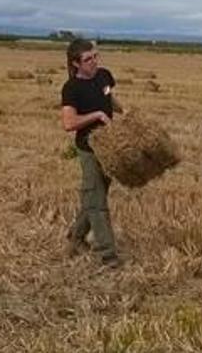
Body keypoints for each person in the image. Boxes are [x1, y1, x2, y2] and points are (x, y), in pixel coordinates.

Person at [60, 38, 124, 268]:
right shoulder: (72, 89)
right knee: (97, 203)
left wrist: (123, 110)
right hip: (89, 149)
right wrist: (96, 115)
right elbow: (69, 123)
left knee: (94, 197)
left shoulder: (104, 76)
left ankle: (75, 238)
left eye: (96, 56)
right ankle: (108, 254)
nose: (94, 62)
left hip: (109, 147)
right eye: (88, 59)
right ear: (76, 63)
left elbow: (108, 96)